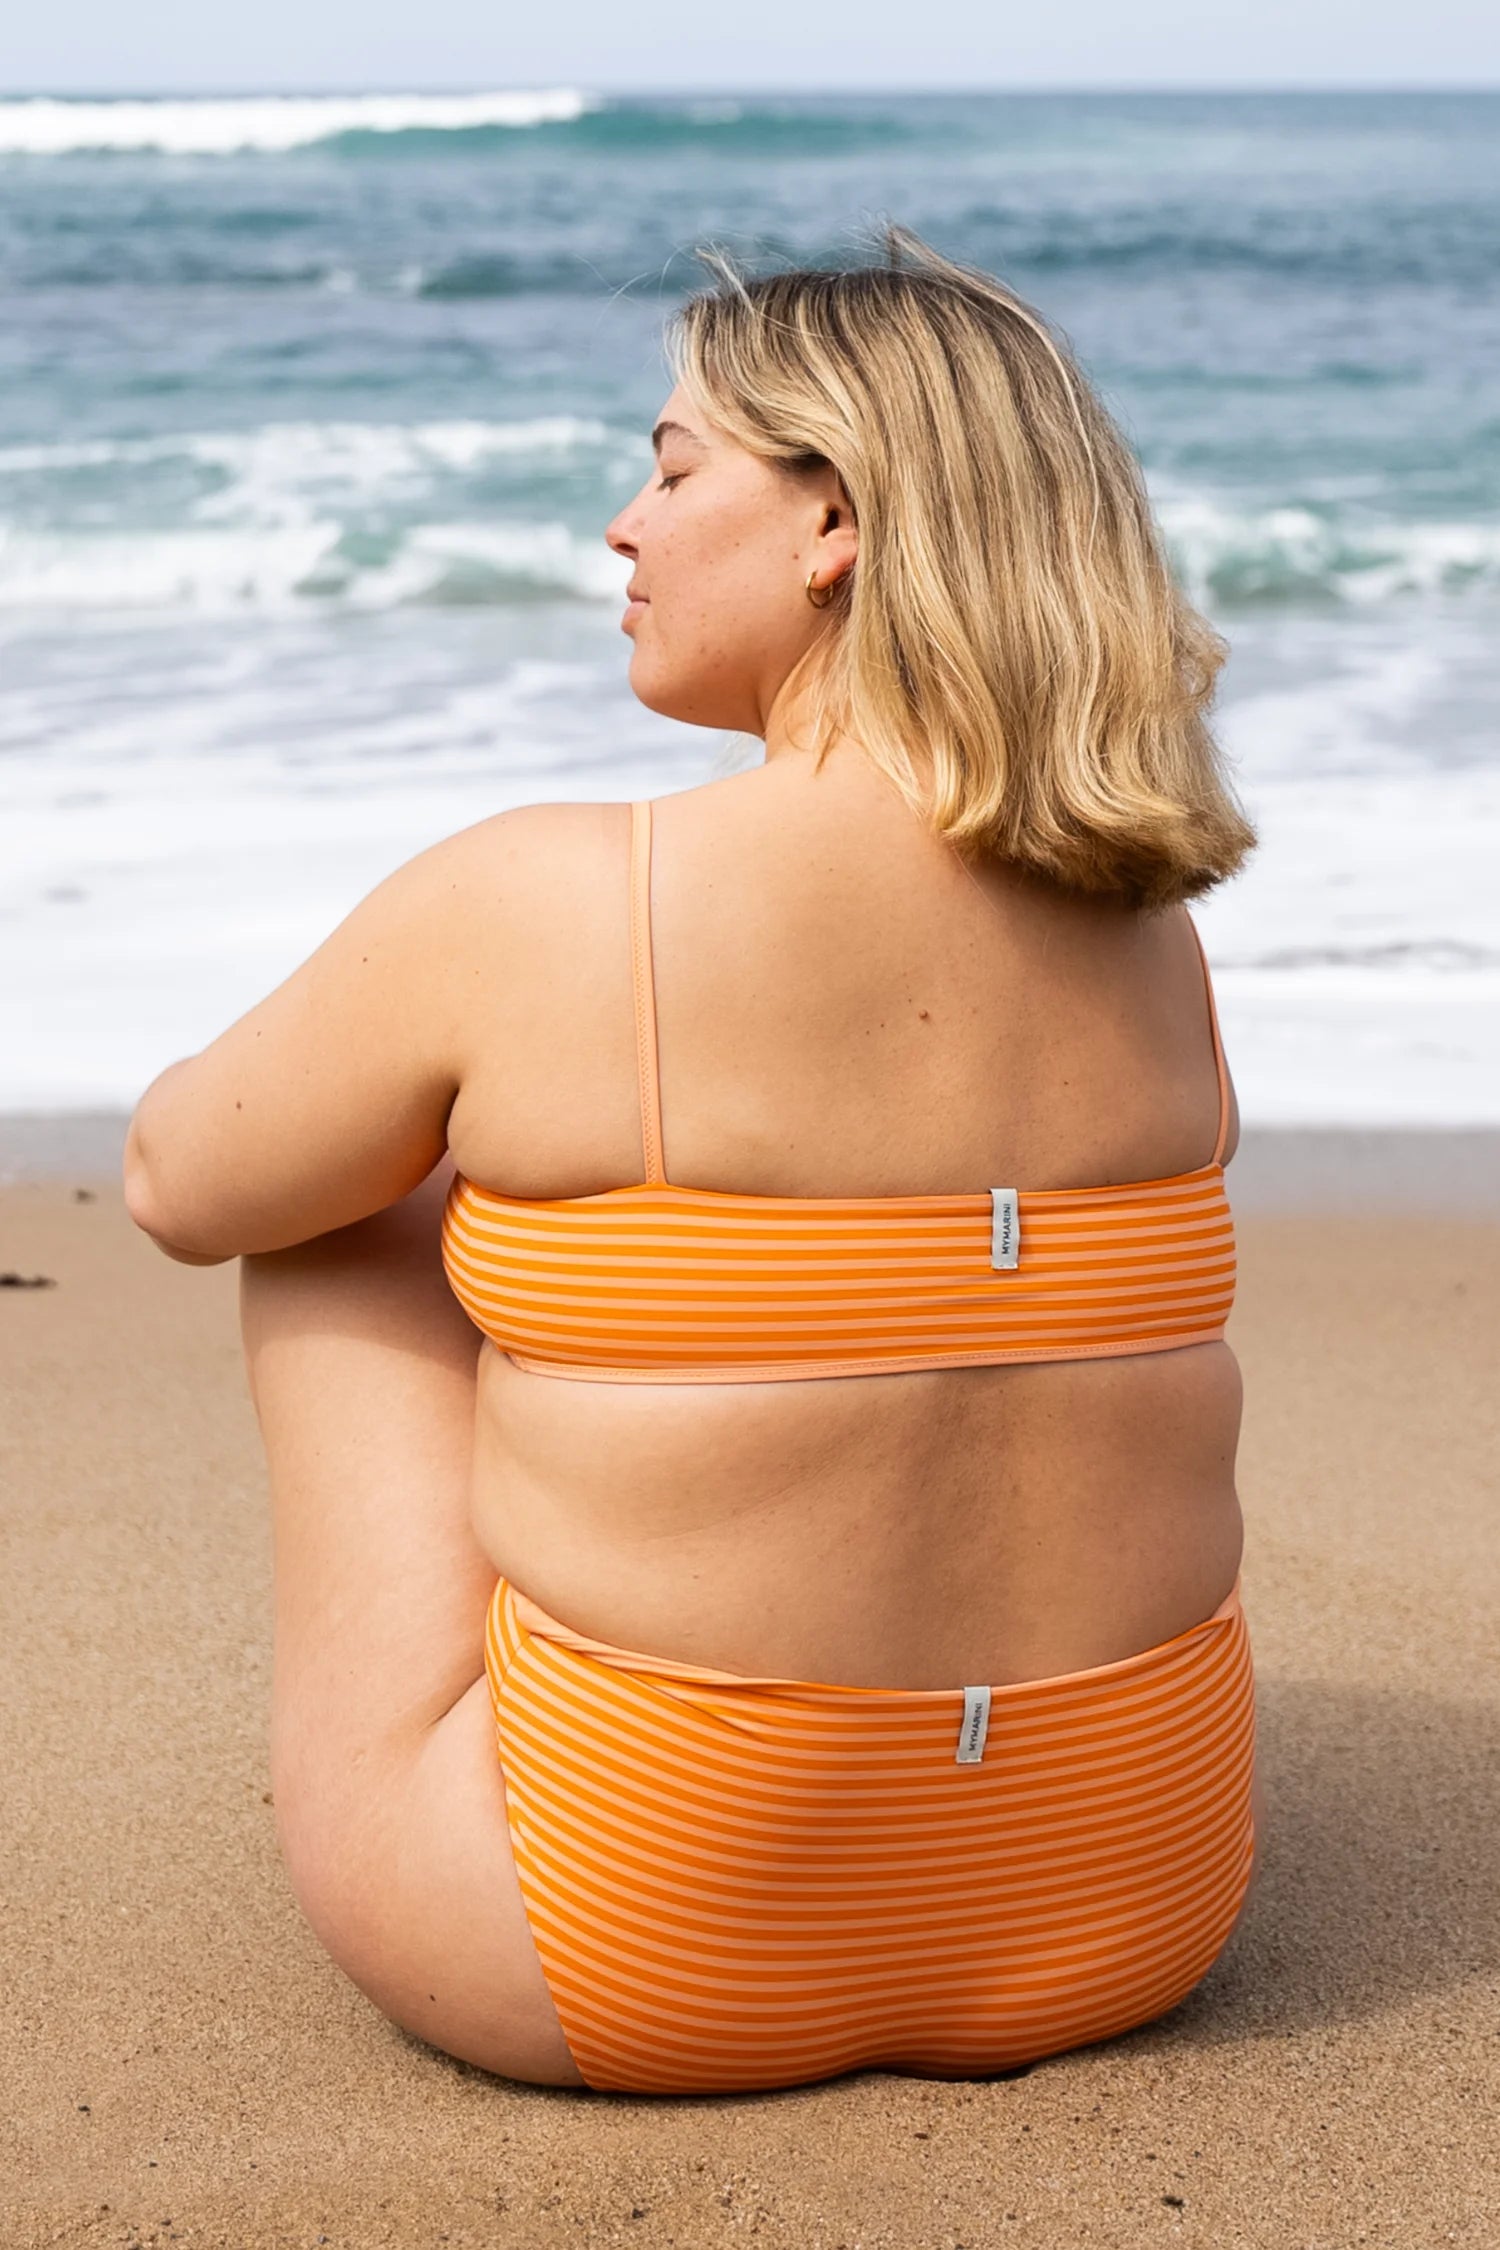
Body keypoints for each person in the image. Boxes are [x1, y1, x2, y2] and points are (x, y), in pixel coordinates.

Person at [124, 227, 1261, 2097]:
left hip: (625, 1951)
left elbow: (180, 1177)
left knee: (340, 1210)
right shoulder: (1155, 937)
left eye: (669, 469)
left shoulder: (557, 896)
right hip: (1128, 1910)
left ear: (837, 523)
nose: (620, 531)